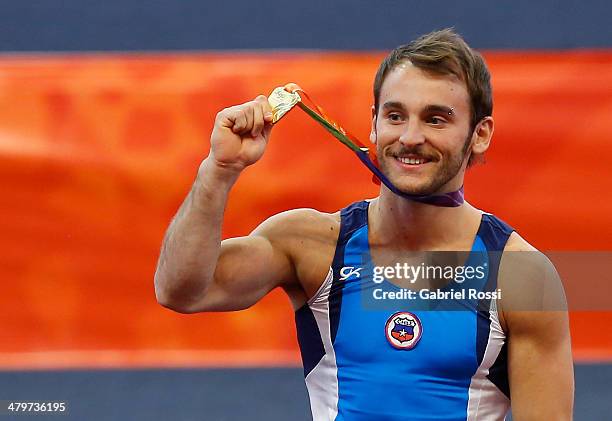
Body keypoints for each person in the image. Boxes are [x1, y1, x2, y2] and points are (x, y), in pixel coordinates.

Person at [154, 29, 574, 420]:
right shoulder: (311, 244)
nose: (410, 137)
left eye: (435, 119)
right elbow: (182, 291)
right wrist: (220, 169)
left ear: (479, 135)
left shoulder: (521, 277)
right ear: (373, 123)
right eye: (395, 116)